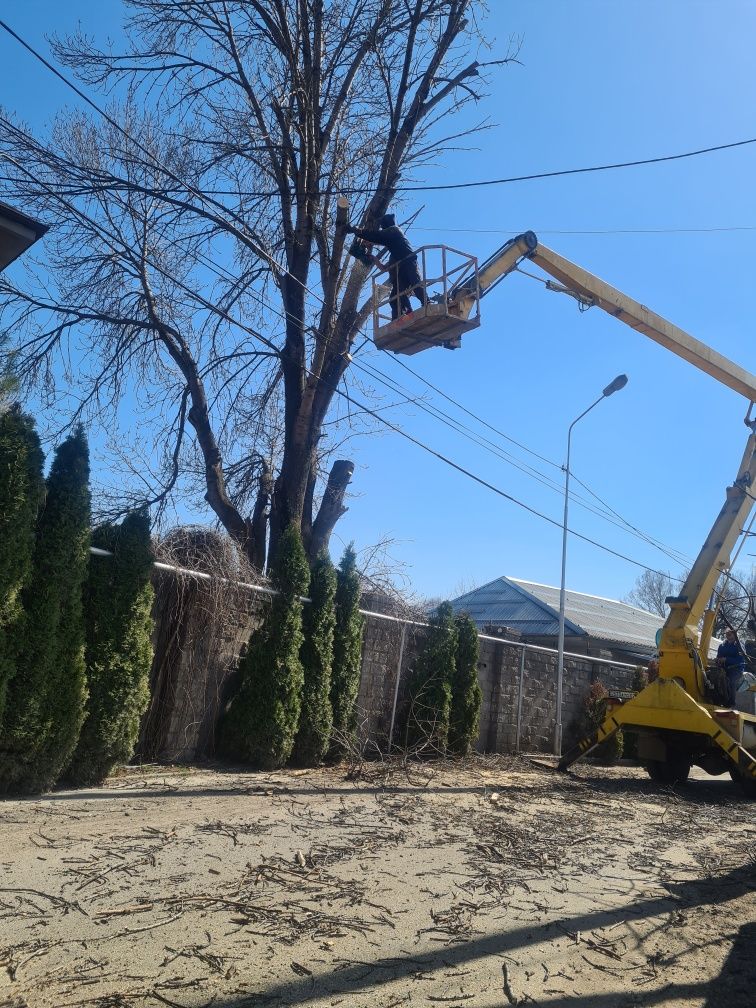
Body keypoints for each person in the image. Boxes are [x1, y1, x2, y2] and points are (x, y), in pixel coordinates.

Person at [346, 213, 427, 319]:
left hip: (409, 262)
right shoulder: (394, 251)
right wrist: (373, 258)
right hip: (401, 267)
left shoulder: (395, 230)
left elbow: (379, 236)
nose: (382, 229)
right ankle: (403, 315)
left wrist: (358, 231)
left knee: (415, 283)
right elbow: (385, 268)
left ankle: (426, 303)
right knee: (395, 297)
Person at [716, 628, 747, 706]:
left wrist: (726, 659)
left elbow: (740, 660)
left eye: (730, 633)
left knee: (731, 681)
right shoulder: (722, 645)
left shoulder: (739, 645)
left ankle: (731, 702)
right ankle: (718, 699)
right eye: (727, 633)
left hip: (736, 669)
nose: (728, 635)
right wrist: (718, 660)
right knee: (714, 678)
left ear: (735, 634)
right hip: (724, 668)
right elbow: (719, 656)